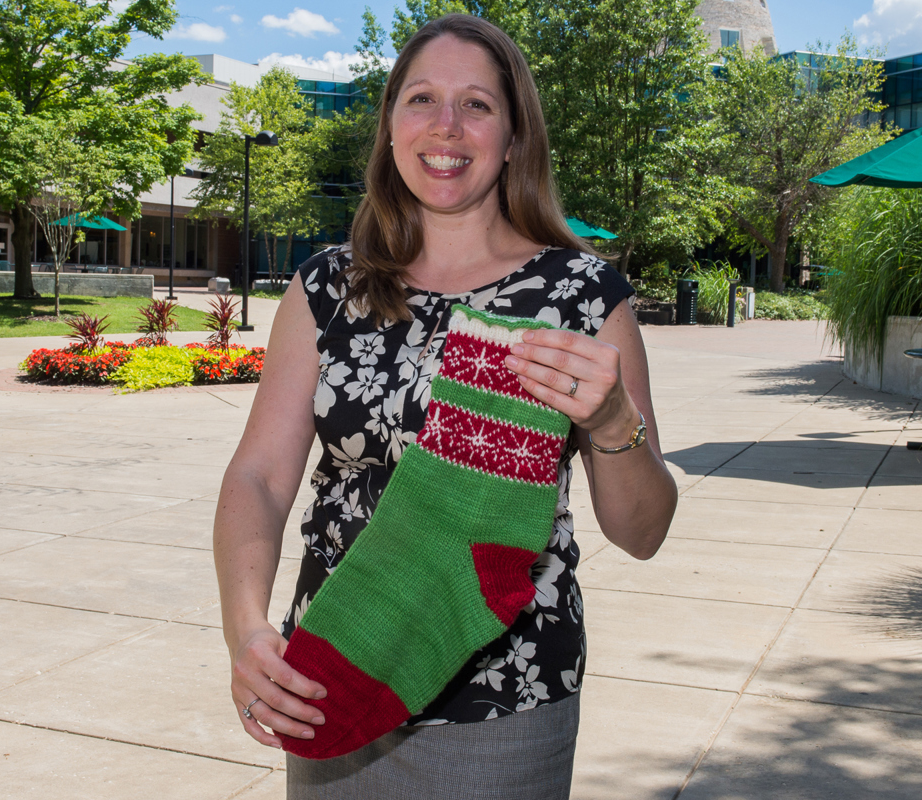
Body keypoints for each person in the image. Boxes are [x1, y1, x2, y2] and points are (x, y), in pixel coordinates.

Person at [213, 13, 678, 799]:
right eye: (422, 99)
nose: (446, 127)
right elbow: (257, 476)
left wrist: (610, 425)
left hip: (512, 691)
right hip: (337, 669)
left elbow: (643, 533)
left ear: (514, 135)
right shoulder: (329, 287)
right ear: (391, 125)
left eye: (477, 105)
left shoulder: (579, 295)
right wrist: (246, 626)